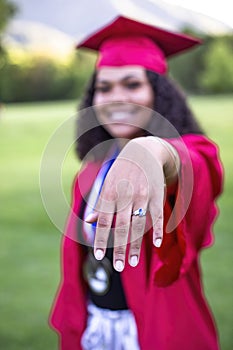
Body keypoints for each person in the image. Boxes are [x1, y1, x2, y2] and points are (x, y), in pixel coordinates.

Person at [49, 16, 223, 350]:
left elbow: (196, 164)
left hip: (157, 330)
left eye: (132, 85)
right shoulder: (90, 172)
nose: (116, 97)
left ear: (158, 94)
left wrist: (154, 151)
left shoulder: (189, 152)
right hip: (96, 326)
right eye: (104, 87)